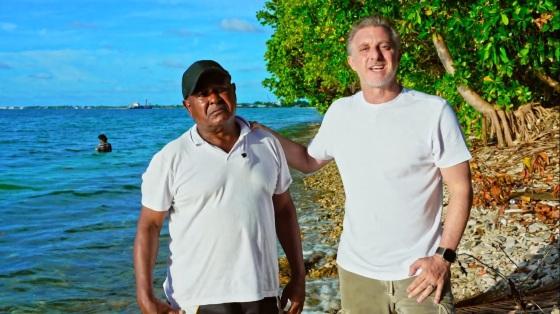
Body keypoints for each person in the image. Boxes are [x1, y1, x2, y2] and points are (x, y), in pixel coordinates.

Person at [253, 16, 473, 313]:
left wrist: (442, 257)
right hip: (357, 272)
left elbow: (460, 188)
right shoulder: (341, 112)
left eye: (384, 47)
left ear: (397, 54)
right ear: (352, 61)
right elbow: (307, 161)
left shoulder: (433, 111)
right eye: (365, 48)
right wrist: (259, 132)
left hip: (420, 273)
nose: (376, 56)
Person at [133, 60, 305, 314]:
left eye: (220, 88)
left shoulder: (266, 143)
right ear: (189, 107)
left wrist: (298, 275)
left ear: (233, 91)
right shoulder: (171, 158)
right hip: (198, 298)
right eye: (202, 94)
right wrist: (144, 295)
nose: (214, 98)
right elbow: (149, 226)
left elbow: (284, 210)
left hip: (263, 293)